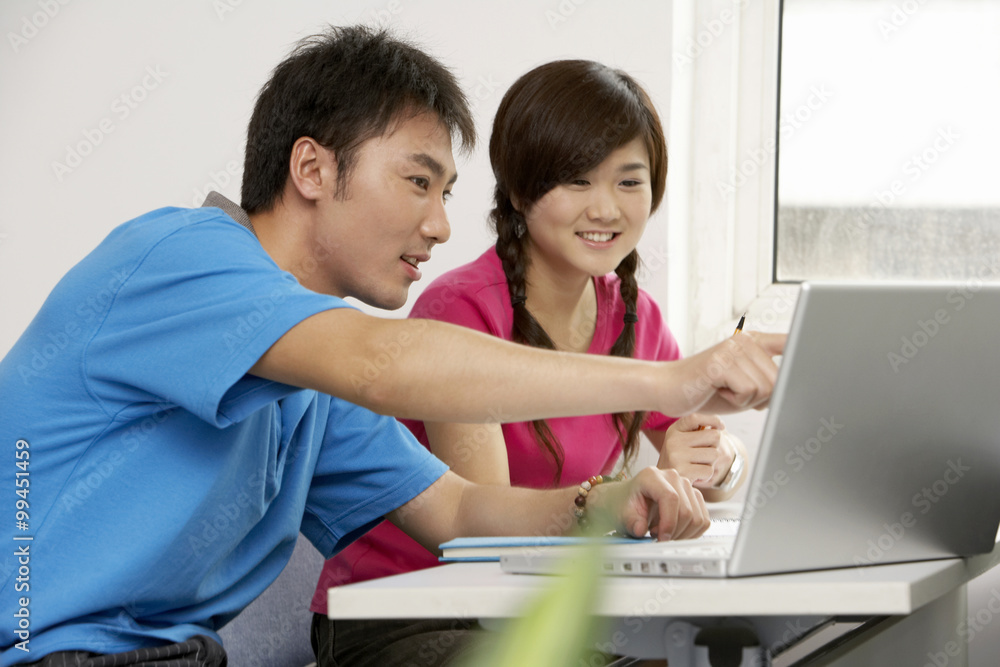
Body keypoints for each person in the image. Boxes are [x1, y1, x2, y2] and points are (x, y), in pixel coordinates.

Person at [0, 25, 783, 667]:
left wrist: (598, 505)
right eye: (419, 182)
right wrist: (668, 380)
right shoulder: (179, 259)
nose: (441, 224)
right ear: (311, 167)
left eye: (446, 193)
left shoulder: (309, 375)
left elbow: (458, 510)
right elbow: (385, 365)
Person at [310, 59, 750, 666]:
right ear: (520, 190)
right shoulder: (459, 308)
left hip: (545, 612)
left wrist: (716, 467)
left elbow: (694, 441)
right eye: (577, 181)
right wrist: (618, 500)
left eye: (629, 181)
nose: (607, 209)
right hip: (404, 611)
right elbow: (486, 532)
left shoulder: (633, 314)